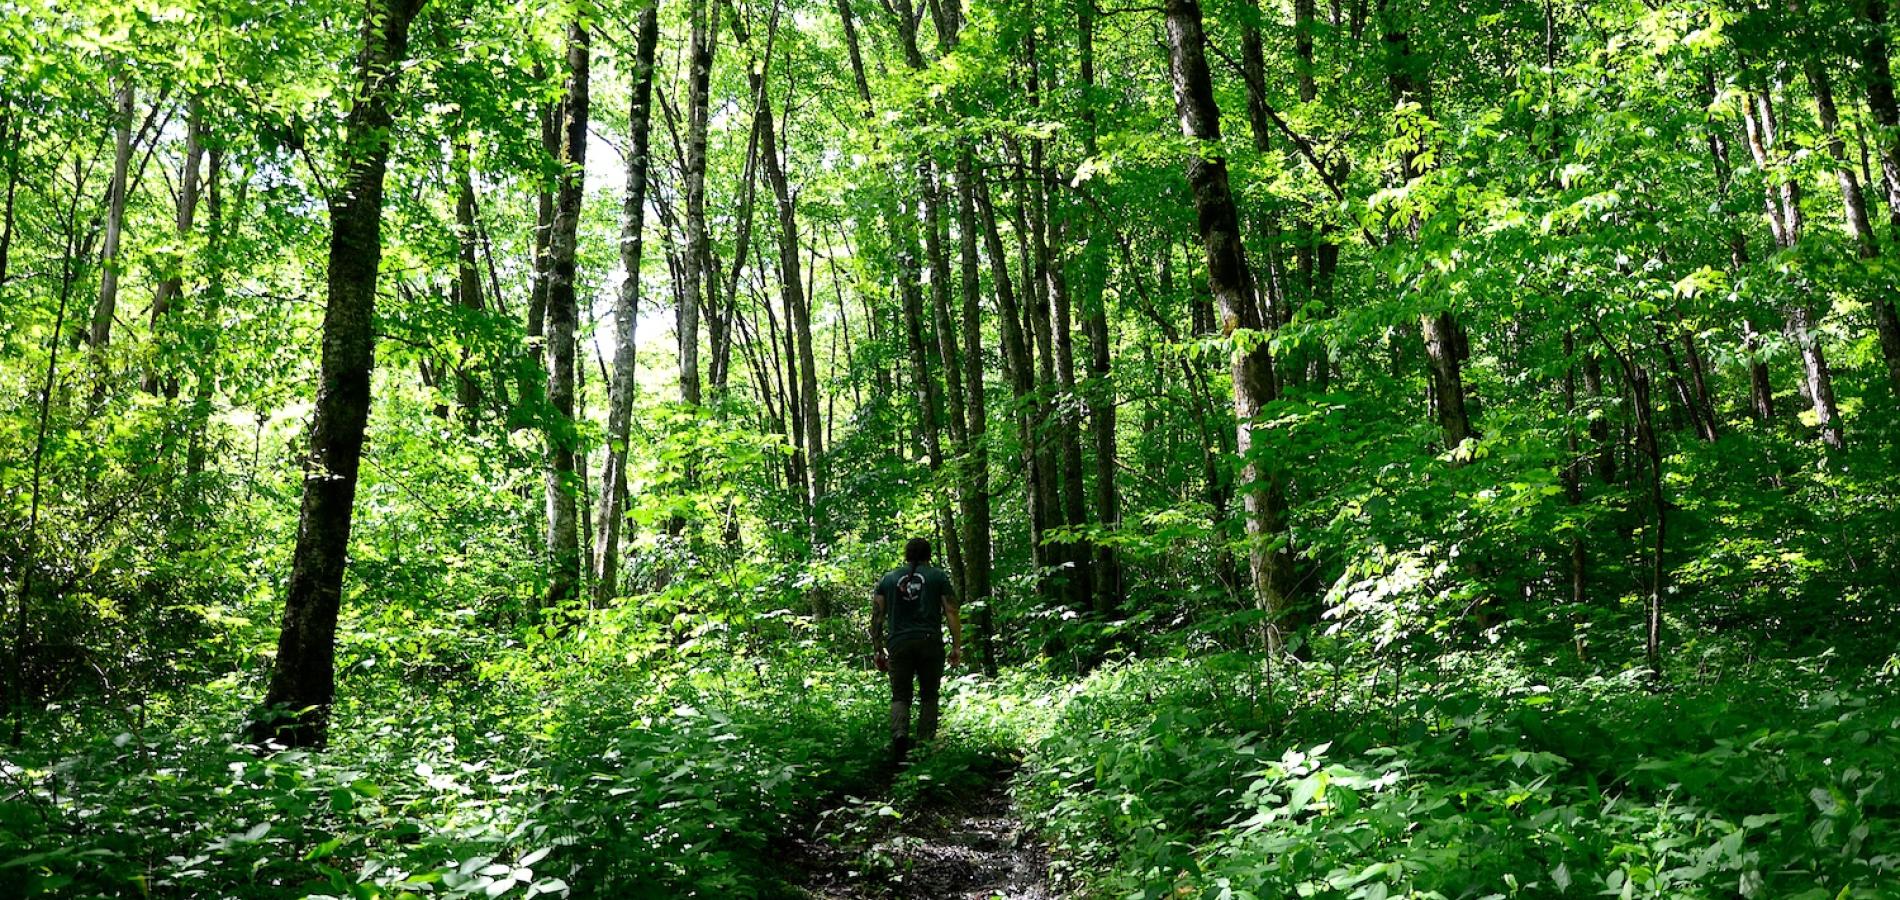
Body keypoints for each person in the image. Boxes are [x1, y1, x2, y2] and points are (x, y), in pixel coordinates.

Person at [871, 537, 963, 763]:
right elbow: (951, 610)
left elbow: (877, 617)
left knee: (900, 695)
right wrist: (956, 645)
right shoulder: (937, 577)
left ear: (906, 555)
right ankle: (924, 746)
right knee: (929, 695)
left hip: (898, 643)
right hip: (929, 641)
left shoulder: (888, 579)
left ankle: (900, 736)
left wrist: (878, 649)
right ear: (928, 555)